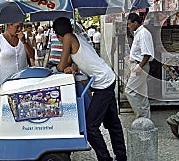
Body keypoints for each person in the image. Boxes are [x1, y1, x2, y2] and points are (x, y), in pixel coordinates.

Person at [53, 17, 127, 161]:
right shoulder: (76, 36)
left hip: (103, 83)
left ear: (57, 35)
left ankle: (105, 158)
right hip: (107, 78)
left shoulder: (68, 38)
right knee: (113, 123)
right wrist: (71, 66)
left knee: (91, 126)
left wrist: (54, 68)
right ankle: (121, 156)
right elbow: (72, 61)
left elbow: (61, 66)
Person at [0, 22, 34, 94]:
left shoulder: (24, 37)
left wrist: (24, 42)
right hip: (5, 83)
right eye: (17, 27)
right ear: (8, 25)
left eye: (21, 27)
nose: (19, 29)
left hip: (23, 82)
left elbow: (31, 55)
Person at [125, 13, 154, 119]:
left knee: (129, 91)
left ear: (135, 23)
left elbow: (147, 53)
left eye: (129, 24)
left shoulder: (143, 33)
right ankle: (146, 119)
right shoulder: (139, 33)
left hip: (140, 65)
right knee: (142, 95)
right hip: (138, 65)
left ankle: (140, 117)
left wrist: (140, 66)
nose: (128, 26)